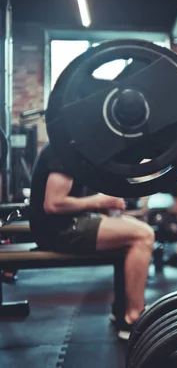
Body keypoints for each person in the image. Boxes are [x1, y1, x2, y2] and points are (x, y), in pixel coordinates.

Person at [29, 143, 155, 340]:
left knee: (131, 229)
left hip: (65, 224)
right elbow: (53, 203)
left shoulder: (72, 150)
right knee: (143, 234)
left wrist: (103, 205)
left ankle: (122, 312)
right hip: (57, 231)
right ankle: (133, 318)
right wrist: (99, 201)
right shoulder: (60, 150)